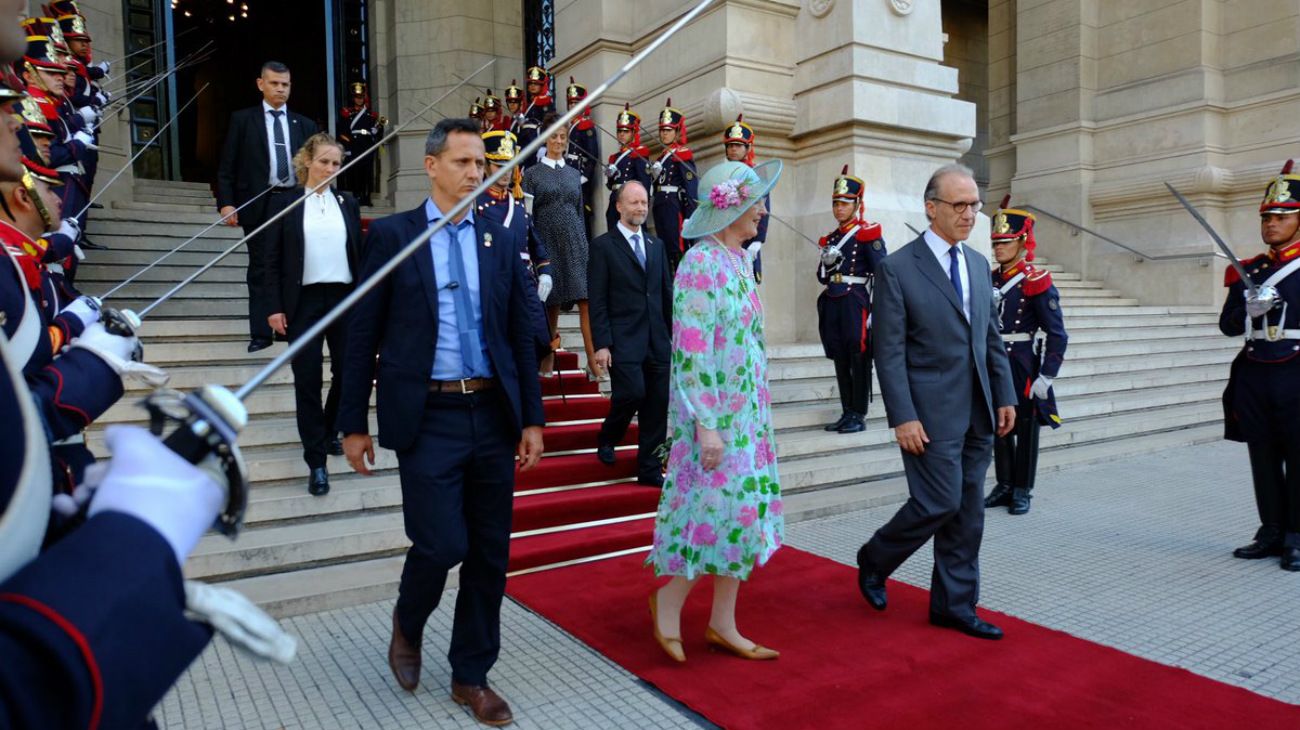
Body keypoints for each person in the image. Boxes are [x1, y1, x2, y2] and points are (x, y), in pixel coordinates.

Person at [336, 118, 544, 726]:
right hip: (427, 414)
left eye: (481, 164)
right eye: (463, 162)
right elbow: (362, 335)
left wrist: (530, 417)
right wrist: (352, 422)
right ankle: (408, 618)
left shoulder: (499, 239)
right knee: (441, 542)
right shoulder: (393, 237)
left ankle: (470, 674)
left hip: (491, 411)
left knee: (489, 553)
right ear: (431, 166)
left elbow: (516, 335)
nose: (477, 173)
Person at [855, 163, 1016, 640]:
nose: (970, 215)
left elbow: (990, 338)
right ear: (932, 208)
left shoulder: (977, 264)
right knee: (938, 502)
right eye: (960, 205)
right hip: (927, 414)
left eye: (975, 206)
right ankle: (875, 558)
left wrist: (1004, 393)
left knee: (968, 513)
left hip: (979, 410)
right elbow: (888, 351)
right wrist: (901, 415)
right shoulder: (898, 269)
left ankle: (954, 605)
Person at [646, 159, 784, 663]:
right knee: (710, 517)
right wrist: (706, 424)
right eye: (757, 201)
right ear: (734, 207)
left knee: (743, 521)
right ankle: (669, 599)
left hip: (747, 418)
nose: (764, 210)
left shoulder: (741, 260)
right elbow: (692, 349)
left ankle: (722, 623)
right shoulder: (699, 263)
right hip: (715, 420)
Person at [264, 133, 362, 497]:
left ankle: (330, 427)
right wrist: (273, 307)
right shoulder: (286, 203)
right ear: (307, 161)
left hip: (343, 298)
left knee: (348, 371)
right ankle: (316, 461)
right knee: (307, 379)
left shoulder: (347, 202)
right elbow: (269, 260)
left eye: (336, 163)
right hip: (302, 301)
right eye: (324, 161)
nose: (330, 169)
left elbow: (358, 253)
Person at [1219, 160, 1300, 572]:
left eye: (1282, 217)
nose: (1271, 224)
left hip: (1296, 372)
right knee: (1262, 455)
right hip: (1255, 372)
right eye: (1267, 217)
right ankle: (1270, 530)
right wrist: (1252, 311)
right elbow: (1226, 326)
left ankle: (1296, 536)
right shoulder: (1250, 270)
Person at [216, 60, 318, 353]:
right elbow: (227, 167)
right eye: (274, 83)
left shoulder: (305, 124)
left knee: (293, 265)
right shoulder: (242, 120)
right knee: (261, 267)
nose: (280, 89)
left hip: (294, 201)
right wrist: (226, 203)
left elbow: (315, 168)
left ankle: (287, 328)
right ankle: (261, 332)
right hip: (259, 203)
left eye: (285, 84)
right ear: (261, 84)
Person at [984, 197, 1067, 516]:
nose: (998, 247)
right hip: (995, 359)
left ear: (1022, 241)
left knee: (1026, 427)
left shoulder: (1036, 281)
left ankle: (1022, 489)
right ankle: (1004, 483)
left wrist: (1047, 376)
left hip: (1022, 361)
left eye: (1005, 241)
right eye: (996, 241)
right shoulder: (989, 279)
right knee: (998, 425)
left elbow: (1057, 333)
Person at [588, 180, 671, 487]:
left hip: (657, 340)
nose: (640, 208)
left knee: (656, 406)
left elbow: (665, 292)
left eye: (644, 203)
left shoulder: (656, 245)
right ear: (619, 206)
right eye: (634, 203)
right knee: (632, 393)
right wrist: (602, 344)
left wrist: (674, 334)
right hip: (623, 340)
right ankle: (609, 435)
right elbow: (597, 300)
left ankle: (649, 470)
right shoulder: (602, 246)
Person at [523, 113, 598, 379]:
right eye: (553, 136)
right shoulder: (531, 174)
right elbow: (527, 216)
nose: (558, 141)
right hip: (547, 242)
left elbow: (579, 211)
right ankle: (547, 357)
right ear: (545, 138)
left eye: (562, 136)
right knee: (551, 303)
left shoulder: (573, 173)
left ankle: (592, 358)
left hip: (576, 242)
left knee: (586, 299)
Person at [816, 165, 887, 434]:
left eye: (844, 203)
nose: (839, 208)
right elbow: (822, 277)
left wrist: (876, 312)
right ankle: (847, 411)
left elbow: (883, 274)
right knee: (840, 358)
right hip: (833, 300)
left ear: (857, 203)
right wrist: (827, 262)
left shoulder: (867, 233)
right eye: (836, 203)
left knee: (858, 358)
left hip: (856, 300)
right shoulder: (831, 238)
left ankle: (859, 413)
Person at [476, 129, 552, 365]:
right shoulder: (476, 205)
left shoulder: (518, 204)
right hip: (495, 281)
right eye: (499, 165)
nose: (506, 171)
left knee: (539, 338)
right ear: (486, 166)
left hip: (525, 282)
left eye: (510, 165)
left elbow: (534, 242)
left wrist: (546, 273)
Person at [651, 99, 698, 271]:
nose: (664, 134)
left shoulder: (682, 154)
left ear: (677, 131)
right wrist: (654, 176)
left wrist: (689, 216)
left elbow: (691, 188)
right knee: (664, 247)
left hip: (674, 205)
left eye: (668, 130)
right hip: (660, 204)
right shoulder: (661, 157)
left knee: (676, 248)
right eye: (662, 130)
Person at [721, 115, 768, 282]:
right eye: (730, 145)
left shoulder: (758, 173)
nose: (733, 149)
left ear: (748, 148)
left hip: (748, 237)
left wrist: (759, 241)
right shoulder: (721, 174)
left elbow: (764, 208)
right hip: (726, 237)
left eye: (738, 145)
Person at [603, 104, 651, 233]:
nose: (622, 134)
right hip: (615, 200)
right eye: (620, 131)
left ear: (634, 132)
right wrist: (610, 175)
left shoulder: (638, 154)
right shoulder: (614, 158)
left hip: (630, 202)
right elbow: (610, 186)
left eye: (626, 131)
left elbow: (644, 184)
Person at [563, 78, 599, 239]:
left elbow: (592, 155)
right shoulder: (570, 125)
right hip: (568, 174)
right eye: (570, 103)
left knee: (582, 216)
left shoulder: (586, 125)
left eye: (576, 103)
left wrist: (584, 177)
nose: (572, 106)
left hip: (579, 177)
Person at [336, 81, 383, 206]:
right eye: (357, 97)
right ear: (353, 98)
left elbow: (377, 131)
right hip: (354, 145)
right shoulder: (347, 113)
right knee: (355, 172)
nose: (359, 100)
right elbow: (342, 132)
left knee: (367, 173)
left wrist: (376, 130)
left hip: (367, 145)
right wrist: (348, 146)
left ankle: (366, 197)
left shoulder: (371, 115)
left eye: (361, 97)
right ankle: (357, 195)